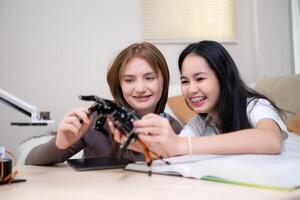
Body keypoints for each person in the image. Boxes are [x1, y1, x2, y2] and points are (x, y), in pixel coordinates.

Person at [118, 40, 293, 157]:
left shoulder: (255, 106)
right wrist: (140, 145)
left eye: (200, 78)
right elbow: (174, 149)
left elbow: (271, 140)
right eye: (185, 81)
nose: (191, 89)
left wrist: (182, 145)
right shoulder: (199, 122)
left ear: (223, 77)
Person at [25, 42, 182, 165]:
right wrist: (60, 143)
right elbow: (30, 162)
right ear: (119, 85)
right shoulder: (93, 120)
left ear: (163, 81)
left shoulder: (173, 129)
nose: (140, 88)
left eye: (149, 78)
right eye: (129, 80)